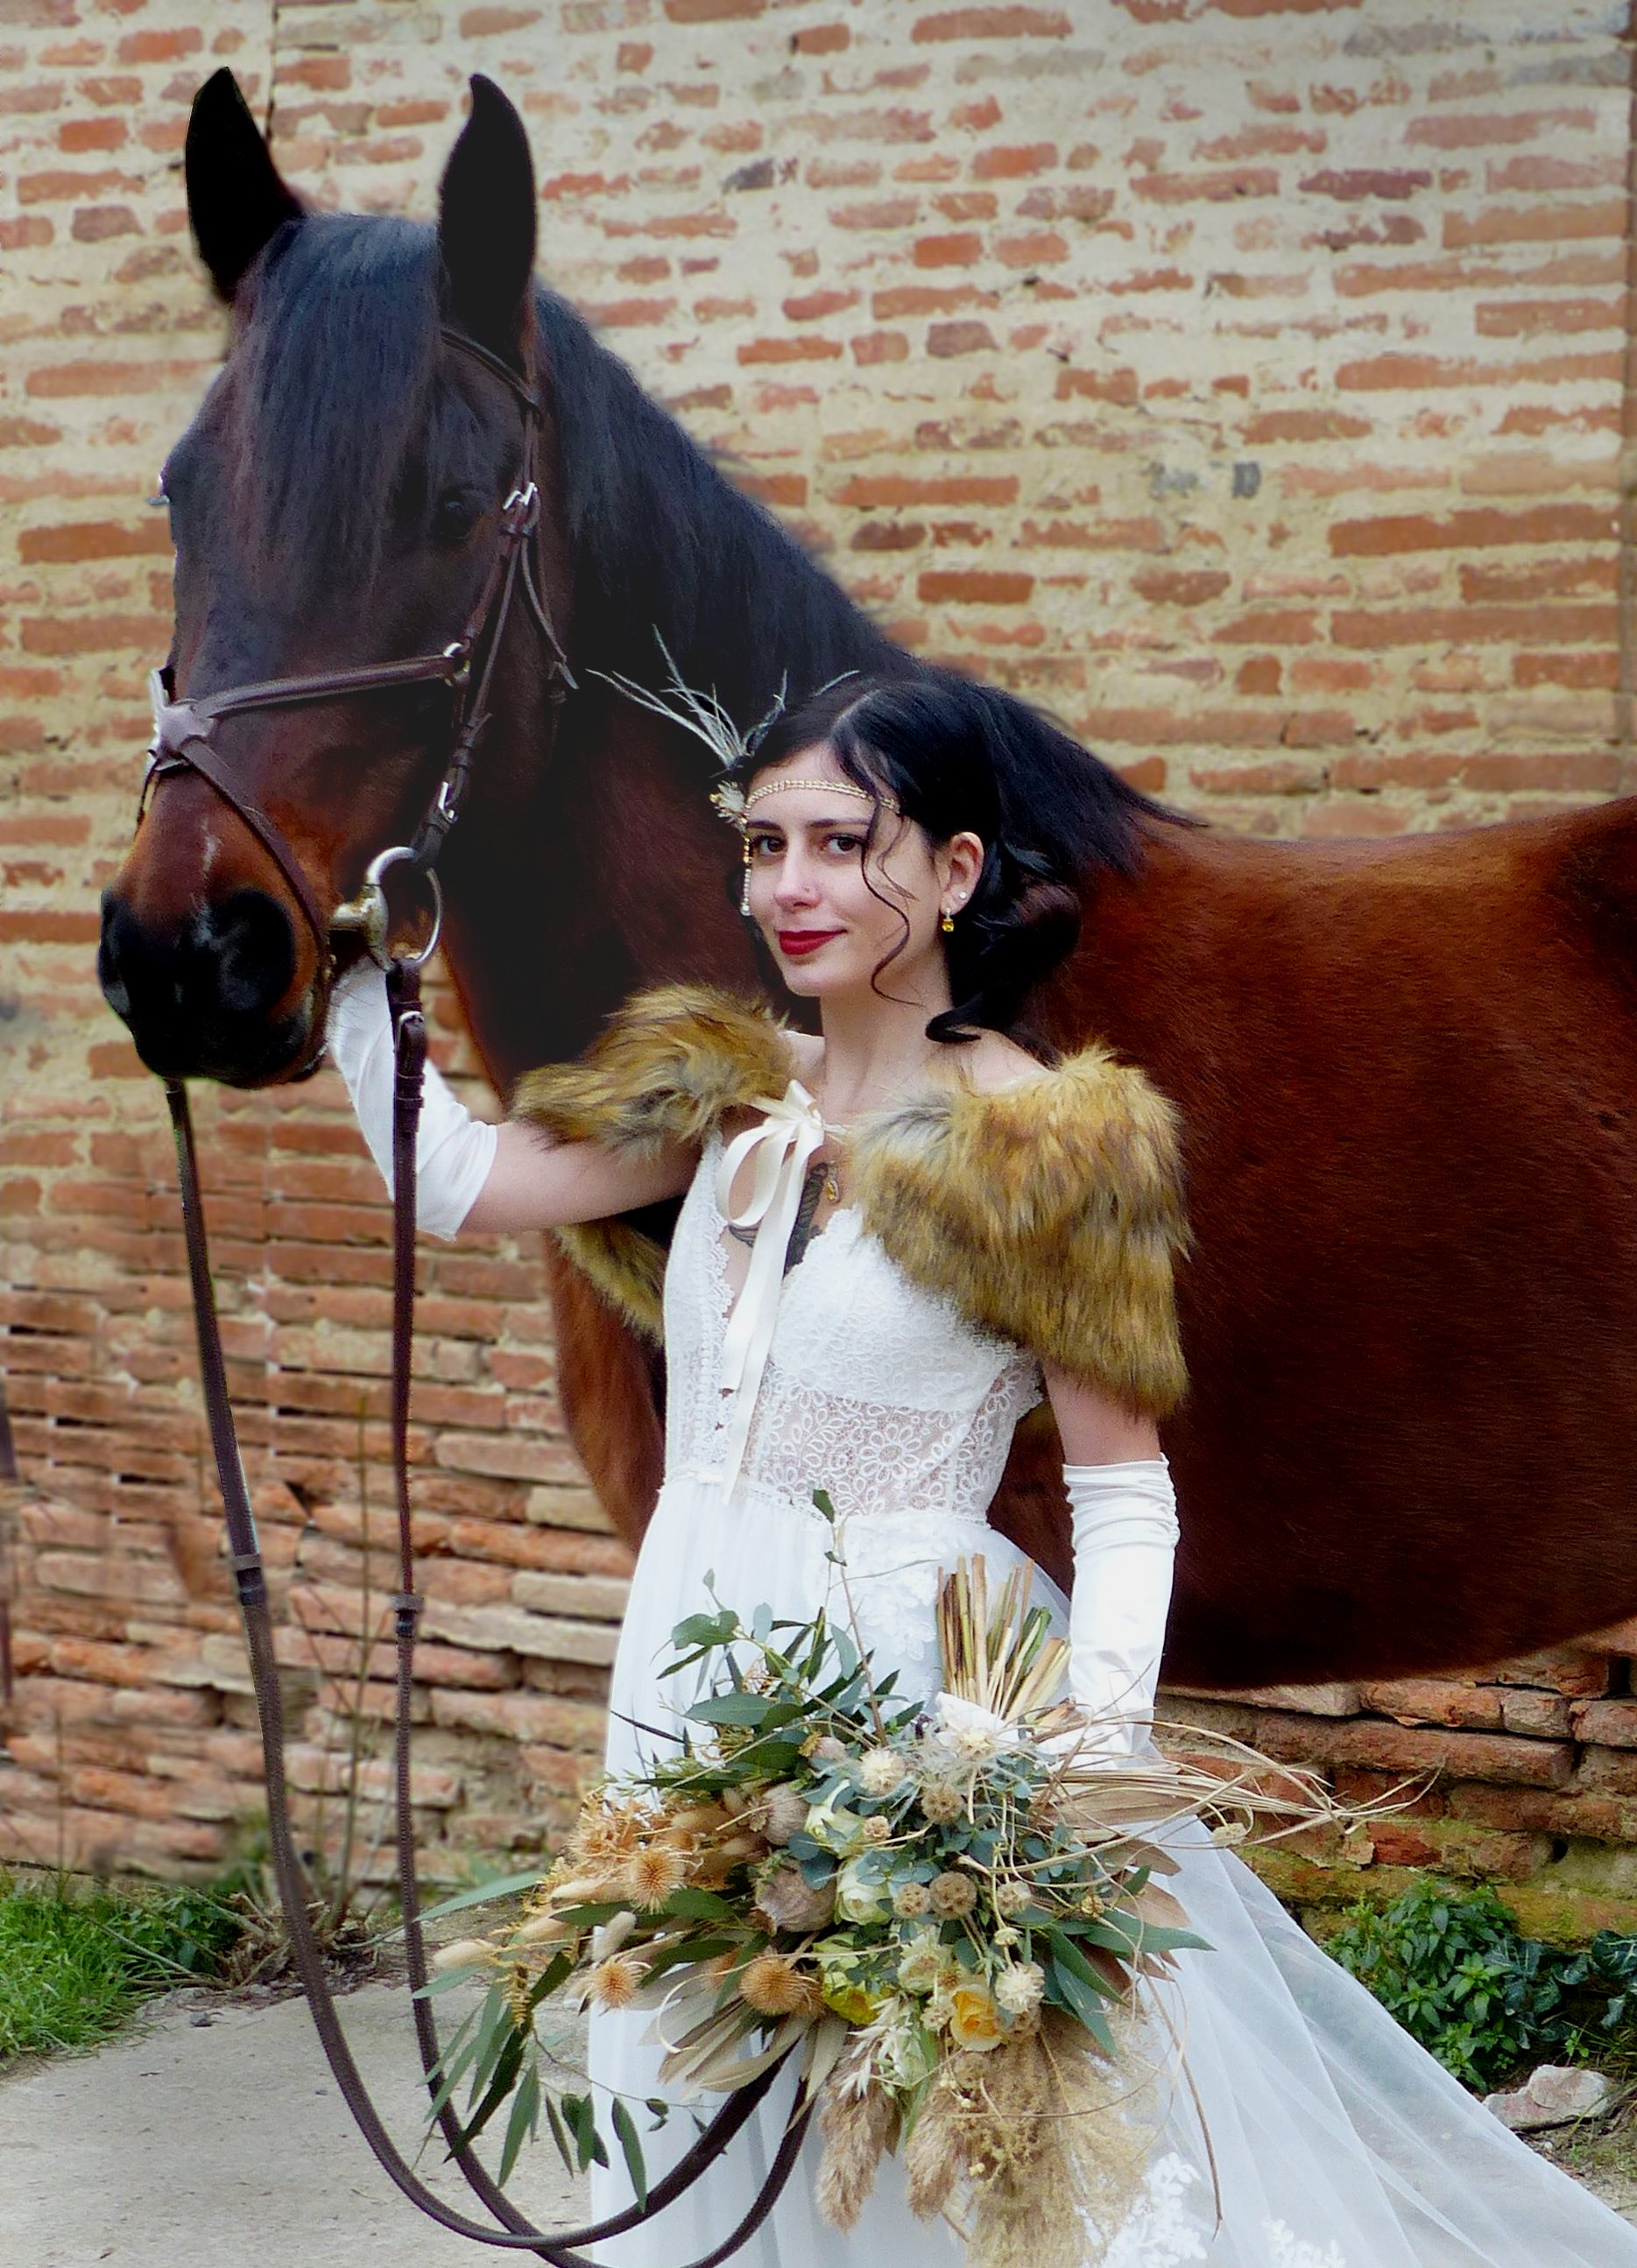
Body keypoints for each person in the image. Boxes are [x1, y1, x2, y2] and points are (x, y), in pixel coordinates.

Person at [328, 670, 1636, 2266]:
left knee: (924, 2140)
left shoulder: (1041, 1143)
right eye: (764, 846)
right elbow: (454, 1178)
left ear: (952, 871)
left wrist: (1079, 1768)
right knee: (703, 2083)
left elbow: (1121, 1487)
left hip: (907, 1700)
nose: (789, 888)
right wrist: (341, 972)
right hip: (684, 1663)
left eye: (840, 844)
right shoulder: (727, 1099)